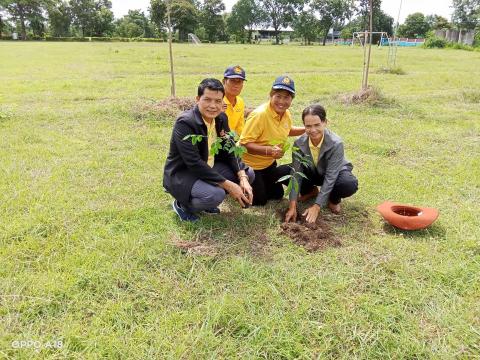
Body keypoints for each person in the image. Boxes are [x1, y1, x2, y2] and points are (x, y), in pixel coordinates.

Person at [163, 78, 254, 222]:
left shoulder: (221, 118)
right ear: (197, 99)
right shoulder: (185, 123)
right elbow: (193, 163)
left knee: (249, 174)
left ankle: (205, 198)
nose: (213, 106)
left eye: (218, 101)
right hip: (184, 173)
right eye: (207, 100)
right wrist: (229, 185)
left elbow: (230, 148)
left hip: (209, 166)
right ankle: (183, 205)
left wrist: (242, 177)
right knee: (216, 195)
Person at [285, 104, 358, 223]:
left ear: (325, 122)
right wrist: (292, 206)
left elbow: (331, 177)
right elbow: (296, 174)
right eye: (308, 126)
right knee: (283, 171)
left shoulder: (336, 143)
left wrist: (317, 206)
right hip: (313, 171)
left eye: (317, 125)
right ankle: (311, 191)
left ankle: (333, 199)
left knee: (348, 184)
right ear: (304, 126)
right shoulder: (299, 143)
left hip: (333, 172)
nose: (313, 130)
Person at [239, 75, 305, 206]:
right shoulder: (260, 115)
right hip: (249, 165)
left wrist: (307, 129)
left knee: (277, 195)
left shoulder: (286, 114)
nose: (282, 101)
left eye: (286, 97)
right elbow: (244, 144)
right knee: (259, 201)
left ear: (292, 99)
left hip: (268, 164)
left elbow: (287, 129)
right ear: (271, 95)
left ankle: (260, 182)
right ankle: (238, 180)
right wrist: (269, 151)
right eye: (278, 96)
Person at [222, 65, 246, 136]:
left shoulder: (240, 102)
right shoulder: (218, 102)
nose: (236, 85)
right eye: (232, 81)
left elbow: (240, 129)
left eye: (239, 82)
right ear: (224, 82)